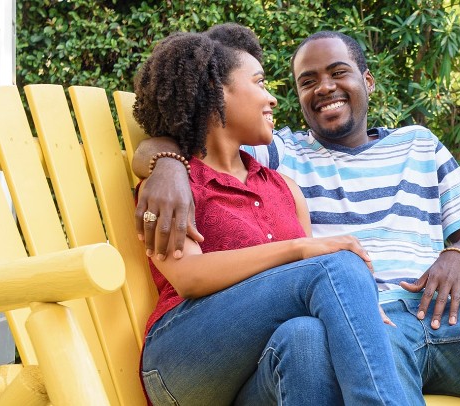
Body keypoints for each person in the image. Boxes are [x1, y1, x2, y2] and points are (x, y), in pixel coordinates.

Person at [134, 30, 460, 405]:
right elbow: (197, 135)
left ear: (368, 80)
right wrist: (166, 164)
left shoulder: (416, 143)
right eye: (305, 81)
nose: (323, 87)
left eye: (338, 72)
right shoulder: (283, 151)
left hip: (436, 314)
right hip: (356, 324)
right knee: (319, 307)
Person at [131, 24, 410, 406]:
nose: (273, 99)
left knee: (304, 338)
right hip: (181, 360)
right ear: (216, 93)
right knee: (337, 264)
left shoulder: (283, 188)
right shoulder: (172, 186)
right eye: (260, 83)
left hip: (256, 374)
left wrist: (352, 306)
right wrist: (299, 251)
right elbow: (190, 278)